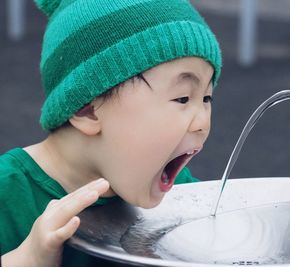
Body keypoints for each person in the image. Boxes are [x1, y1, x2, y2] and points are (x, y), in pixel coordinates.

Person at [0, 0, 222, 266]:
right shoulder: (8, 195)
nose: (202, 123)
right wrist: (27, 260)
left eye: (207, 98)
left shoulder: (181, 197)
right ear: (89, 110)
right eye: (183, 98)